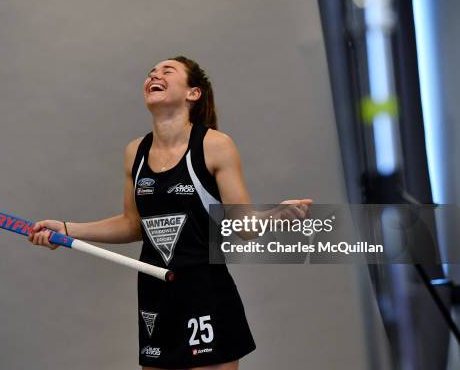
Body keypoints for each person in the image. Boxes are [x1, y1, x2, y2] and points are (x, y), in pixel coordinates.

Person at [28, 56, 312, 369]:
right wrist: (66, 229)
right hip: (155, 294)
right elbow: (132, 225)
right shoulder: (134, 152)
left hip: (205, 291)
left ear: (193, 93)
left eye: (167, 71)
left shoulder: (215, 146)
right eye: (151, 72)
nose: (154, 75)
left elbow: (243, 226)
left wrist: (276, 215)